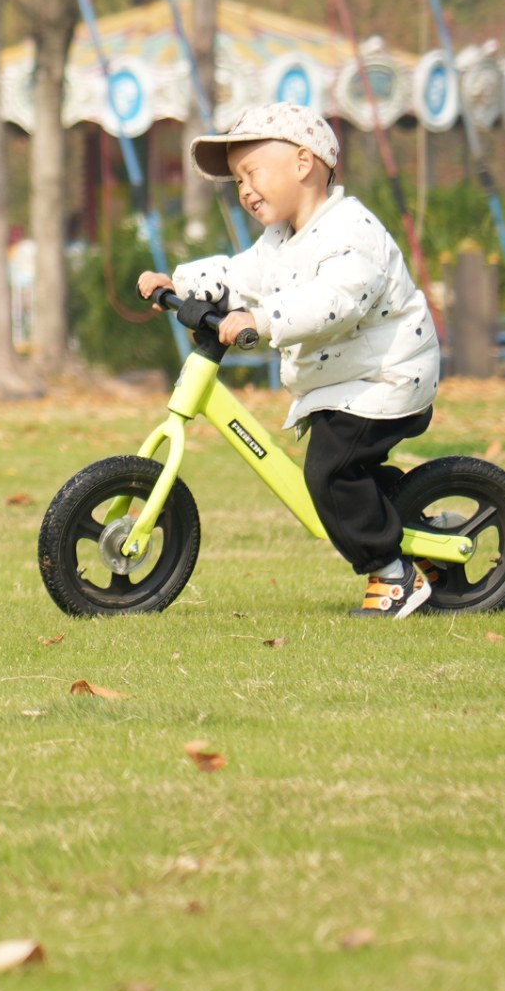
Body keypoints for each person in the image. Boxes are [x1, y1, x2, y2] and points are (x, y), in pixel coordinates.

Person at [139, 101, 443, 618]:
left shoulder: (351, 231)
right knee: (347, 476)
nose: (245, 189)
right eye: (237, 181)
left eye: (252, 172)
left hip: (387, 377)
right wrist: (181, 283)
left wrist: (265, 321)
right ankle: (427, 536)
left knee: (329, 474)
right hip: (348, 382)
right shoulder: (281, 240)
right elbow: (241, 275)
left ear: (303, 163)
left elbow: (337, 302)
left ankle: (392, 577)